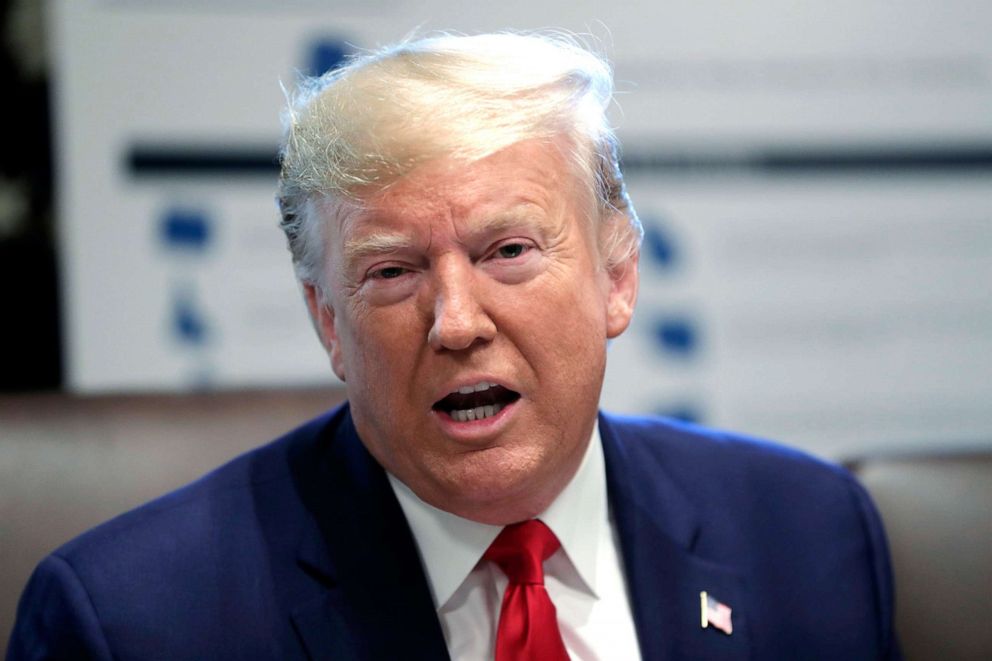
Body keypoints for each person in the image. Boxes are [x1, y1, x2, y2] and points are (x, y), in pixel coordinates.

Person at [8, 32, 900, 660]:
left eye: (507, 251)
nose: (458, 321)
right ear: (328, 321)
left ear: (617, 278)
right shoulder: (133, 622)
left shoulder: (809, 534)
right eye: (392, 271)